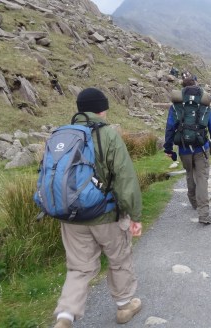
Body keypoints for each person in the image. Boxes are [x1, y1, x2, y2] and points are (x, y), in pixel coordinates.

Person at [53, 88, 143, 328]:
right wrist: (134, 215)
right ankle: (124, 306)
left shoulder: (63, 134)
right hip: (106, 214)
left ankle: (65, 315)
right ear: (102, 109)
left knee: (79, 268)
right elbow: (125, 178)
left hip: (71, 216)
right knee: (119, 258)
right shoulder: (108, 135)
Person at [163, 77, 211, 224]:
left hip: (183, 148)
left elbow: (170, 128)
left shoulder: (176, 106)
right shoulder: (204, 104)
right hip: (202, 148)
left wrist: (168, 148)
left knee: (190, 173)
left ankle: (194, 201)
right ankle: (204, 214)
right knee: (202, 178)